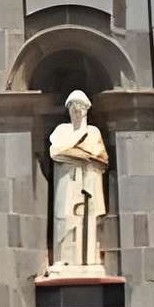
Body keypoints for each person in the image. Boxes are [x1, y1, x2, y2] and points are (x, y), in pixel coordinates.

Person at [46, 89, 111, 276]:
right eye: (74, 106)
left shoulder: (93, 132)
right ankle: (62, 259)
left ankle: (89, 259)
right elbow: (56, 152)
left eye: (81, 107)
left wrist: (72, 154)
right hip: (67, 182)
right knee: (65, 217)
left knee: (88, 218)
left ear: (87, 110)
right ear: (69, 109)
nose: (77, 110)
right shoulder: (61, 130)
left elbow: (101, 159)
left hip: (89, 181)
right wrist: (83, 155)